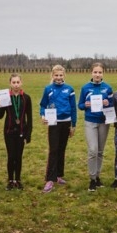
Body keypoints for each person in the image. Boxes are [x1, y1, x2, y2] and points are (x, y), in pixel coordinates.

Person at [39, 65, 77, 193]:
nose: (59, 78)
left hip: (66, 123)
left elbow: (73, 108)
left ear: (64, 76)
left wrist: (74, 125)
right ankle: (50, 179)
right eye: (56, 75)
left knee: (61, 149)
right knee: (53, 150)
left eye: (61, 75)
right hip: (53, 123)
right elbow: (43, 105)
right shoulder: (48, 89)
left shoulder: (70, 89)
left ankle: (59, 175)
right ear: (52, 76)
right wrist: (43, 115)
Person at [78, 62, 114, 192]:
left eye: (100, 72)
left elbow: (111, 105)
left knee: (100, 151)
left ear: (103, 73)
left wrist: (107, 103)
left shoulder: (108, 88)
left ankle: (98, 177)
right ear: (91, 73)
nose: (97, 74)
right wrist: (86, 105)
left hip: (104, 122)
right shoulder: (85, 88)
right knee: (93, 150)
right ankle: (92, 178)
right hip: (90, 122)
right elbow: (80, 105)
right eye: (95, 72)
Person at [0, 73, 32, 190]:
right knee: (11, 156)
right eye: (13, 82)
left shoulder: (26, 98)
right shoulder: (5, 97)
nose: (16, 85)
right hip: (9, 132)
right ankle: (10, 180)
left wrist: (28, 133)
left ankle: (18, 179)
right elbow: (0, 115)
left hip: (21, 131)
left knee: (18, 156)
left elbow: (29, 117)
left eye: (18, 82)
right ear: (10, 83)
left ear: (21, 83)